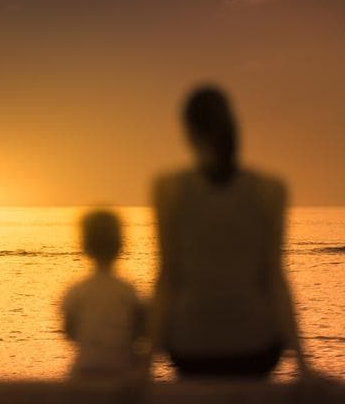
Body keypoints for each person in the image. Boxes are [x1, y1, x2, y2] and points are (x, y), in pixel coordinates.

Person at [150, 85, 312, 378]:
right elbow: (274, 277)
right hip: (256, 350)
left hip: (190, 351)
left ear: (189, 132)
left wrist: (143, 368)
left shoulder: (168, 189)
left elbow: (167, 277)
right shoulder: (270, 189)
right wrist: (304, 368)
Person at [61, 210, 148, 380]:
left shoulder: (76, 290)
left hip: (84, 369)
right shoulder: (129, 290)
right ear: (120, 245)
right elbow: (141, 330)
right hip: (121, 369)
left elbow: (69, 332)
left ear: (84, 246)